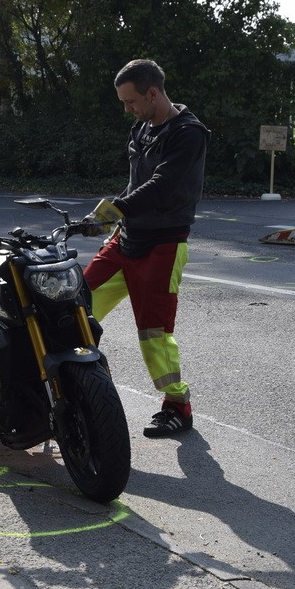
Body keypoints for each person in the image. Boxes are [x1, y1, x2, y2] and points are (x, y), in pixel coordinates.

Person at [82, 59, 210, 438]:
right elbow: (137, 183)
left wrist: (118, 207)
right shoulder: (141, 130)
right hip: (126, 241)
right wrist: (111, 211)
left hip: (163, 246)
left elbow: (163, 184)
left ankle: (177, 407)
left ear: (153, 93)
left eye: (131, 101)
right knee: (75, 305)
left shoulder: (188, 133)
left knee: (154, 333)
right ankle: (80, 386)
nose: (128, 109)